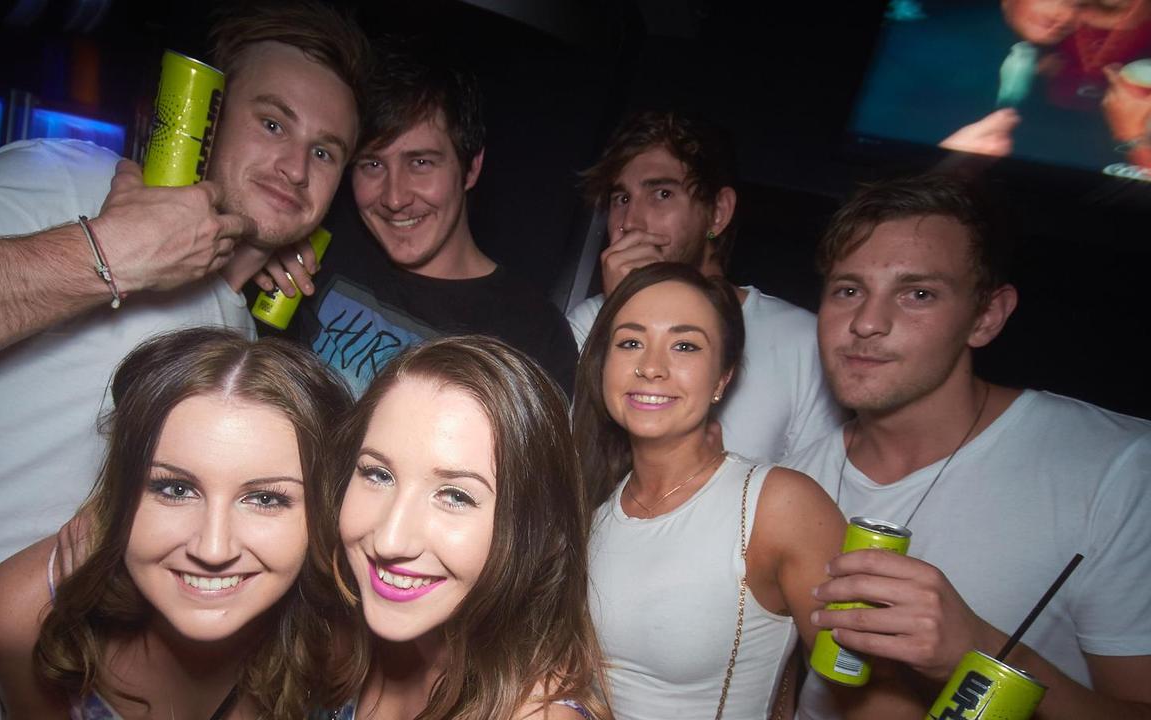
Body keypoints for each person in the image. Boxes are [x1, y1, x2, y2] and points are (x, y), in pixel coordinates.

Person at [0, 3, 367, 716]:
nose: (295, 165)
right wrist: (104, 253)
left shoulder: (239, 348)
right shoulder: (76, 184)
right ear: (209, 116)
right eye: (272, 122)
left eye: (325, 151)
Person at [788, 175, 1151, 719]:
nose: (866, 322)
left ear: (986, 316)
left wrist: (980, 651)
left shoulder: (1114, 468)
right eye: (848, 289)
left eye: (918, 294)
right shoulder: (796, 478)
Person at [0, 327, 352, 719]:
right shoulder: (22, 621)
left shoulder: (336, 641)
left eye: (265, 499)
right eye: (176, 489)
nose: (212, 549)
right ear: (121, 489)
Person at [572, 262, 855, 719]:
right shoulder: (595, 509)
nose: (650, 367)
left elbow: (869, 698)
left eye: (684, 346)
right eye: (630, 343)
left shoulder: (777, 505)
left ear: (722, 378)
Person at [306, 336, 610, 719]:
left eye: (455, 496)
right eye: (378, 474)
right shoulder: (350, 634)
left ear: (537, 531)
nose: (389, 539)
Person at [255, 44, 578, 398]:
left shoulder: (533, 334)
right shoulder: (319, 246)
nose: (395, 198)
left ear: (471, 168)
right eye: (372, 165)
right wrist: (260, 249)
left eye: (421, 163)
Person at [567, 111, 841, 463]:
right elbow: (572, 467)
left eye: (662, 194)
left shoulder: (800, 341)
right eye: (621, 199)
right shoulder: (589, 321)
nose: (631, 222)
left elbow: (812, 501)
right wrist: (617, 314)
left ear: (717, 213)